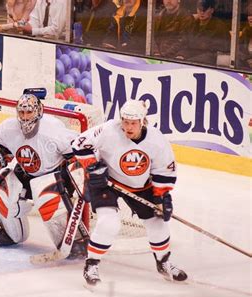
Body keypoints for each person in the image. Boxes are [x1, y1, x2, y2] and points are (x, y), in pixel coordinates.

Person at [72, 99, 187, 286]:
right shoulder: (109, 130)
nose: (128, 127)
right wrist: (93, 167)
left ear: (143, 121)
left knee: (157, 223)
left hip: (141, 185)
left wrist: (161, 196)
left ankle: (163, 262)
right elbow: (79, 144)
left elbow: (164, 170)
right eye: (125, 121)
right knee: (109, 223)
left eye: (133, 123)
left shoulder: (156, 140)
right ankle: (91, 265)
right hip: (107, 181)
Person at [0, 92, 87, 259]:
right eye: (21, 113)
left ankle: (74, 240)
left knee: (45, 194)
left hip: (56, 175)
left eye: (29, 112)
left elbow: (77, 155)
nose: (25, 117)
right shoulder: (8, 128)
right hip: (26, 174)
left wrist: (80, 177)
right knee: (1, 188)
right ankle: (11, 233)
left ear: (39, 111)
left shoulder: (53, 130)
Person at [177, 0, 230, 65]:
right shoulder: (192, 24)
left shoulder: (219, 27)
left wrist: (188, 60)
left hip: (210, 62)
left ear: (212, 10)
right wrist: (181, 55)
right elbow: (184, 43)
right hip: (190, 58)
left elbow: (217, 53)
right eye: (199, 9)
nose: (202, 12)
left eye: (205, 10)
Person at [238, 2, 252, 69]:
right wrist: (247, 60)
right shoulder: (246, 30)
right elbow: (240, 50)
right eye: (249, 15)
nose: (250, 18)